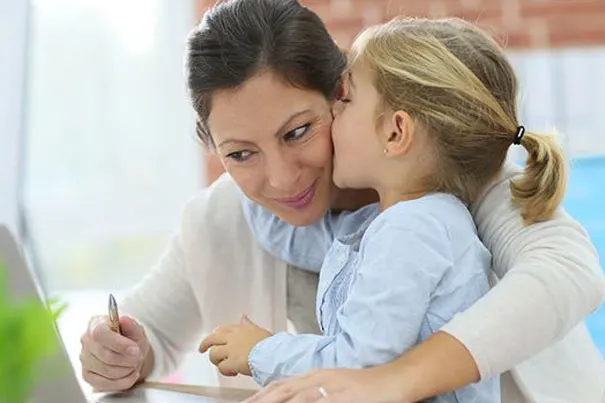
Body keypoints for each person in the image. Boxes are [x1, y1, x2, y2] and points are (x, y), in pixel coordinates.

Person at [77, 0, 605, 401]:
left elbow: (568, 271)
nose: (281, 180)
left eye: (298, 131)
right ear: (211, 146)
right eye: (240, 154)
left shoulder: (452, 176)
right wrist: (118, 351)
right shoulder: (223, 218)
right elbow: (147, 332)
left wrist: (389, 381)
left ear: (340, 93)